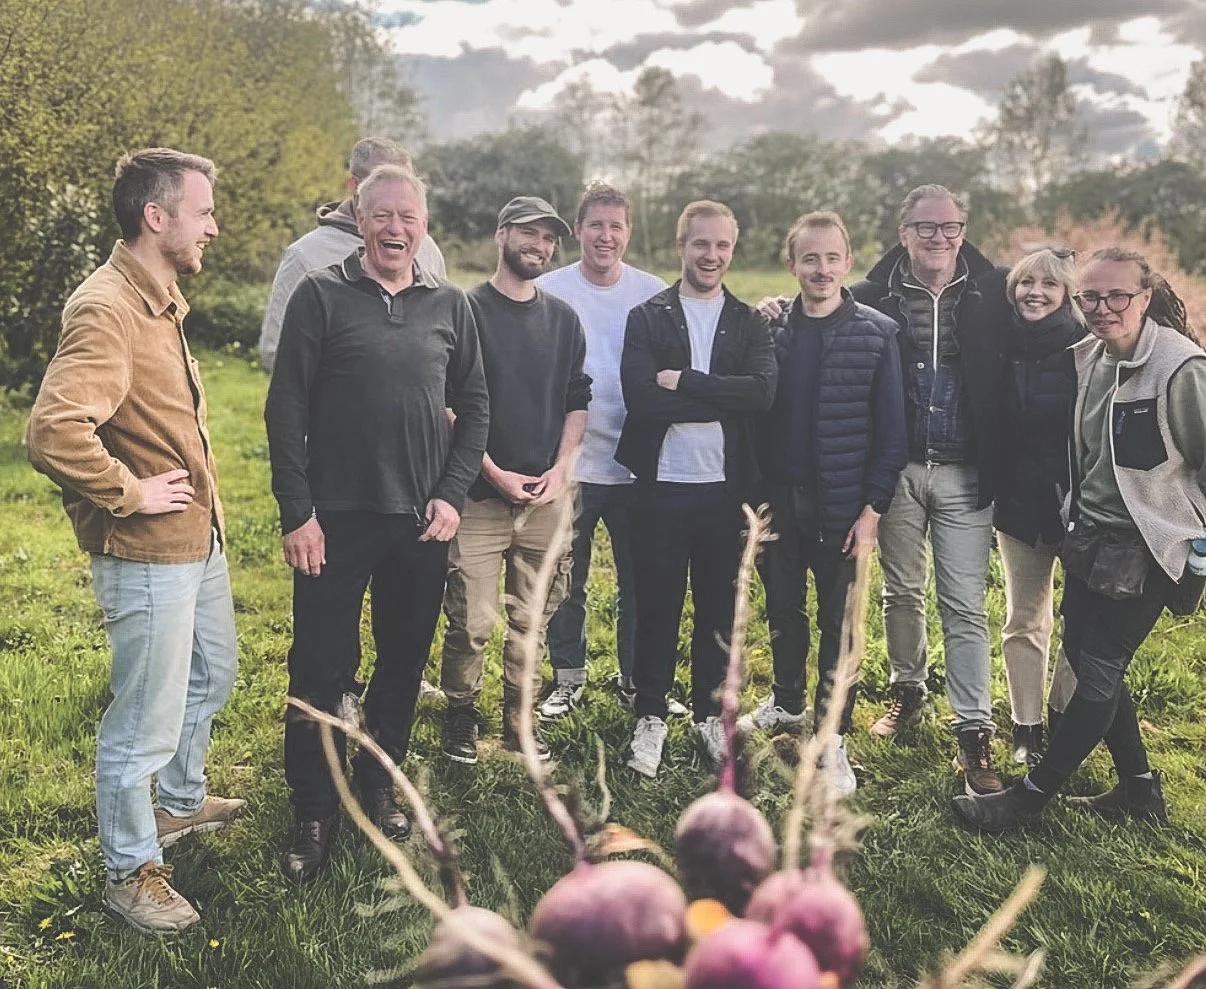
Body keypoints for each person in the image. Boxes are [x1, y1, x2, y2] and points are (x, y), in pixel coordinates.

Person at [27, 148, 243, 933]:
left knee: (214, 672)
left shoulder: (160, 295)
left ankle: (178, 807)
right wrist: (129, 490)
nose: (213, 226)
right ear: (158, 217)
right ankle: (128, 868)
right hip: (148, 551)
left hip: (198, 540)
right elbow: (53, 428)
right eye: (203, 211)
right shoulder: (108, 305)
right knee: (141, 723)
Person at [265, 165, 489, 882]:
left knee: (401, 664)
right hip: (333, 518)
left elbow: (477, 406)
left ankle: (377, 782)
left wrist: (453, 493)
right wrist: (297, 511)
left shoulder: (450, 304)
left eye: (408, 216)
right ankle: (313, 804)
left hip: (420, 522)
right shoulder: (320, 295)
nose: (396, 228)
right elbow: (285, 409)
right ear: (358, 222)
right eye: (382, 215)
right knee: (322, 665)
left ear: (425, 224)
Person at [953, 247, 1206, 831]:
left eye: (1117, 296)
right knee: (1089, 659)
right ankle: (1140, 792)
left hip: (1149, 546)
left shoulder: (1179, 368)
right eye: (1091, 296)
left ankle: (1028, 800)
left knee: (1097, 671)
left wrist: (1194, 544)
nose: (1102, 308)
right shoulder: (1088, 357)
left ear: (1144, 298)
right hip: (1090, 539)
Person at [850, 184, 1008, 796]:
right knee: (902, 592)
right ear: (903, 233)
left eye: (951, 226)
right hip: (900, 468)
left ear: (963, 231)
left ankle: (974, 730)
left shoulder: (994, 293)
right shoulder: (872, 296)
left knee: (965, 604)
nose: (939, 237)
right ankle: (908, 693)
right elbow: (822, 317)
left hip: (968, 473)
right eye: (926, 227)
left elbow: (1054, 330)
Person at [744, 211, 907, 794]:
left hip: (842, 508)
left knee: (840, 625)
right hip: (776, 503)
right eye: (808, 258)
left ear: (847, 261)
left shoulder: (877, 333)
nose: (820, 268)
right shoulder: (767, 329)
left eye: (831, 257)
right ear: (792, 264)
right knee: (784, 612)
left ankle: (832, 736)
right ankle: (786, 702)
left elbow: (893, 436)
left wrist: (871, 512)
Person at [618, 200, 777, 778]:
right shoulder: (648, 316)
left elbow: (761, 394)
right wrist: (720, 395)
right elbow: (643, 399)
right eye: (700, 244)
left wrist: (686, 381)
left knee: (717, 608)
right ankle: (652, 715)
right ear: (681, 247)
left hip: (725, 490)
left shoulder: (749, 321)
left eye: (722, 246)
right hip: (660, 487)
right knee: (657, 606)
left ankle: (711, 715)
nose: (711, 256)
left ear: (732, 250)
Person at [439, 196, 592, 766]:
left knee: (533, 619)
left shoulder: (563, 319)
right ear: (501, 236)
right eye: (528, 233)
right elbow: (447, 403)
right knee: (473, 621)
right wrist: (493, 472)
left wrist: (560, 469)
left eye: (549, 237)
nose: (540, 245)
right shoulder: (464, 309)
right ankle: (461, 712)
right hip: (479, 495)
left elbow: (579, 401)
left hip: (547, 496)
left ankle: (517, 717)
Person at [535, 184, 670, 719]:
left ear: (628, 233)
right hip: (571, 462)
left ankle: (636, 678)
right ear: (578, 230)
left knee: (642, 579)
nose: (605, 236)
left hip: (639, 464)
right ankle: (567, 678)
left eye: (616, 226)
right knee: (567, 579)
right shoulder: (549, 290)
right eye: (596, 225)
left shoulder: (653, 292)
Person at [991, 249, 1086, 767]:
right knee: (1025, 616)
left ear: (1066, 292)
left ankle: (1067, 717)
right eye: (1026, 282)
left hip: (1079, 505)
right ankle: (1025, 725)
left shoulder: (1087, 345)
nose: (1035, 292)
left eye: (1049, 284)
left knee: (1080, 619)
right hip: (1018, 505)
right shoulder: (998, 343)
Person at [258, 136, 446, 373]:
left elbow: (447, 339)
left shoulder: (427, 249)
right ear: (354, 185)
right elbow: (275, 351)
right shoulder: (306, 256)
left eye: (403, 182)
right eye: (381, 182)